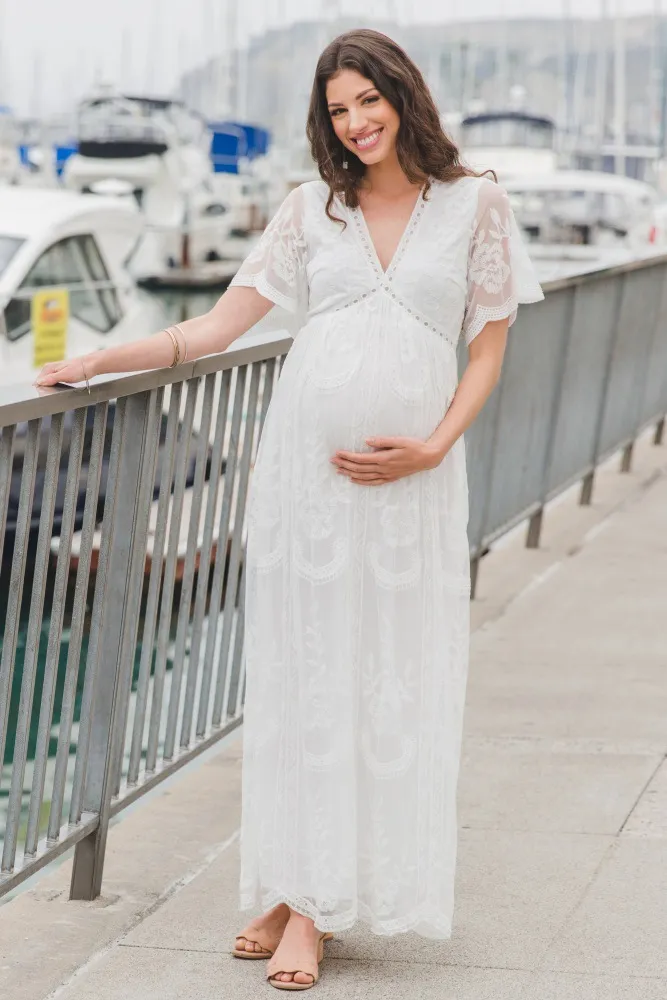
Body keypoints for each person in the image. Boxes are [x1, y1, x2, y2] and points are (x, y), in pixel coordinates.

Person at [36, 28, 543, 992]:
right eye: (338, 110)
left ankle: (315, 896)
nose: (355, 124)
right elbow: (220, 325)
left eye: (368, 101)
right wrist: (100, 359)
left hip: (412, 487)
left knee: (385, 677)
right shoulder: (309, 209)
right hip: (306, 486)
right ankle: (295, 892)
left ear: (402, 94)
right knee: (302, 679)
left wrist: (433, 444)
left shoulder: (476, 203)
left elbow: (487, 347)